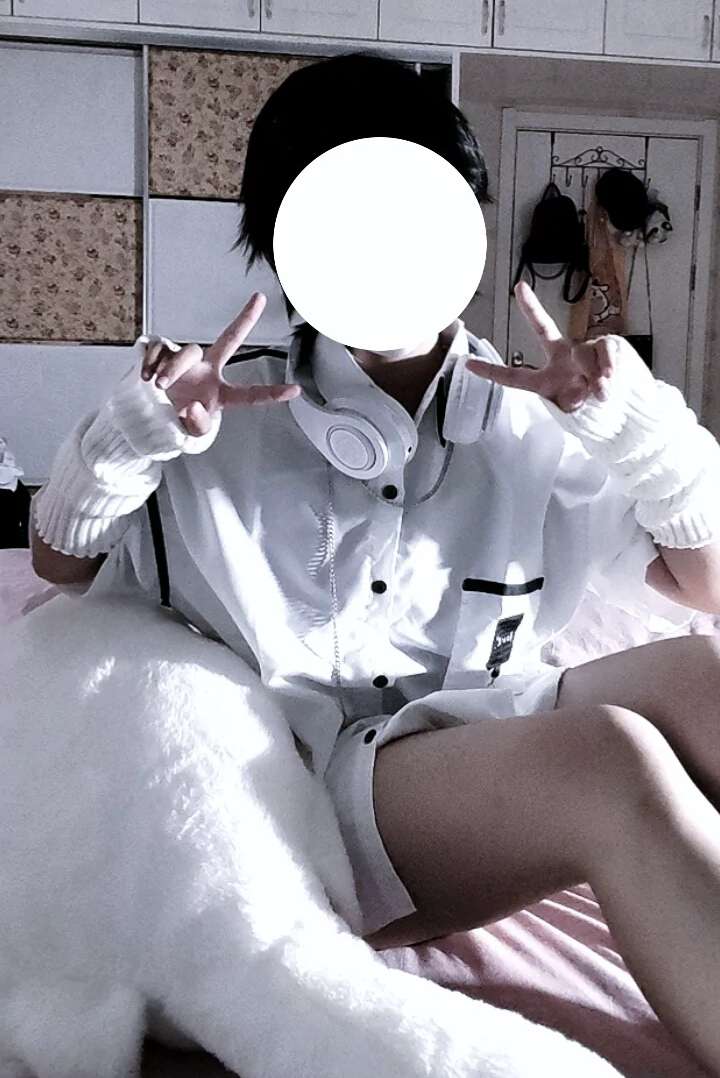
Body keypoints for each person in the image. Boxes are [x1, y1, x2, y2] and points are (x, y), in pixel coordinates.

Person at [31, 50, 720, 1074]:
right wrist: (127, 438)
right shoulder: (208, 413)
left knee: (703, 674)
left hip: (490, 731)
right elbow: (62, 565)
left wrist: (640, 429)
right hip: (323, 797)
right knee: (609, 759)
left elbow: (704, 586)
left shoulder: (536, 416)